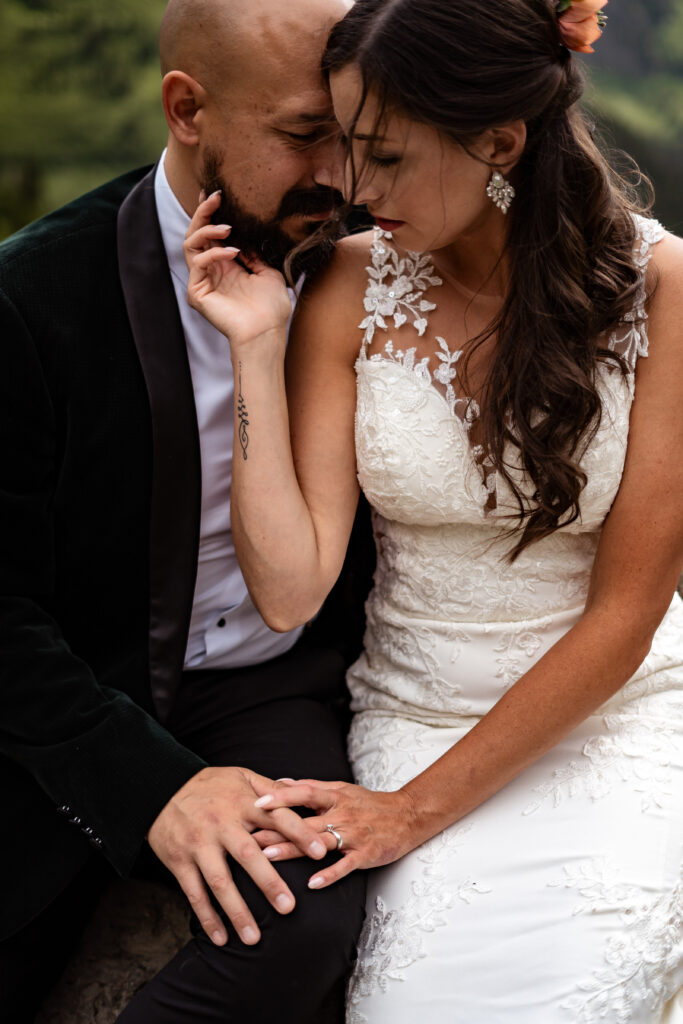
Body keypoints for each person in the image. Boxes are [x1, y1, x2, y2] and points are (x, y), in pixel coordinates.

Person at [184, 0, 683, 1020]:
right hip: (408, 719)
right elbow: (286, 589)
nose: (352, 191)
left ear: (500, 140)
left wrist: (408, 816)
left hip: (613, 723)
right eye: (344, 149)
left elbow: (625, 614)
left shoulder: (663, 287)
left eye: (386, 157)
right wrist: (252, 350)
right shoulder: (349, 286)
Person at [0, 1, 374, 1021]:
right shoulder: (31, 296)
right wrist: (148, 786)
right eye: (304, 135)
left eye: (356, 132)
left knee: (305, 910)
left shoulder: (384, 258)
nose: (342, 176)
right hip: (89, 684)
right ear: (186, 109)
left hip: (275, 682)